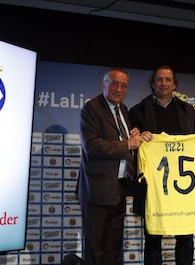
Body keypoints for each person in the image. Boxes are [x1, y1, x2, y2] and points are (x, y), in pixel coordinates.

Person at [128, 65, 195, 265]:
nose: (163, 83)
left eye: (168, 80)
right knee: (153, 239)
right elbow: (129, 144)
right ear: (152, 83)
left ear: (174, 84)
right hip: (154, 190)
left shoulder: (188, 110)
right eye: (159, 79)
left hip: (183, 191)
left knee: (185, 238)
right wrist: (137, 137)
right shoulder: (137, 111)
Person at [77, 68, 152, 265]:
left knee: (113, 246)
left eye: (123, 85)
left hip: (118, 187)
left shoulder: (124, 110)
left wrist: (133, 136)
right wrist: (127, 144)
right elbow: (91, 146)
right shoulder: (92, 108)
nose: (119, 89)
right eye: (114, 83)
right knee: (96, 247)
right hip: (96, 190)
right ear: (104, 85)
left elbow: (120, 141)